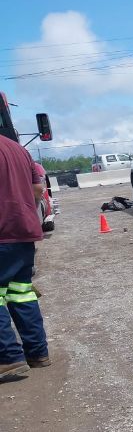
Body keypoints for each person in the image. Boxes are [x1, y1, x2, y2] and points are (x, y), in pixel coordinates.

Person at [0, 133, 50, 379]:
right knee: (21, 292)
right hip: (23, 232)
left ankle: (8, 358)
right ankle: (38, 353)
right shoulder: (18, 149)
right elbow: (38, 189)